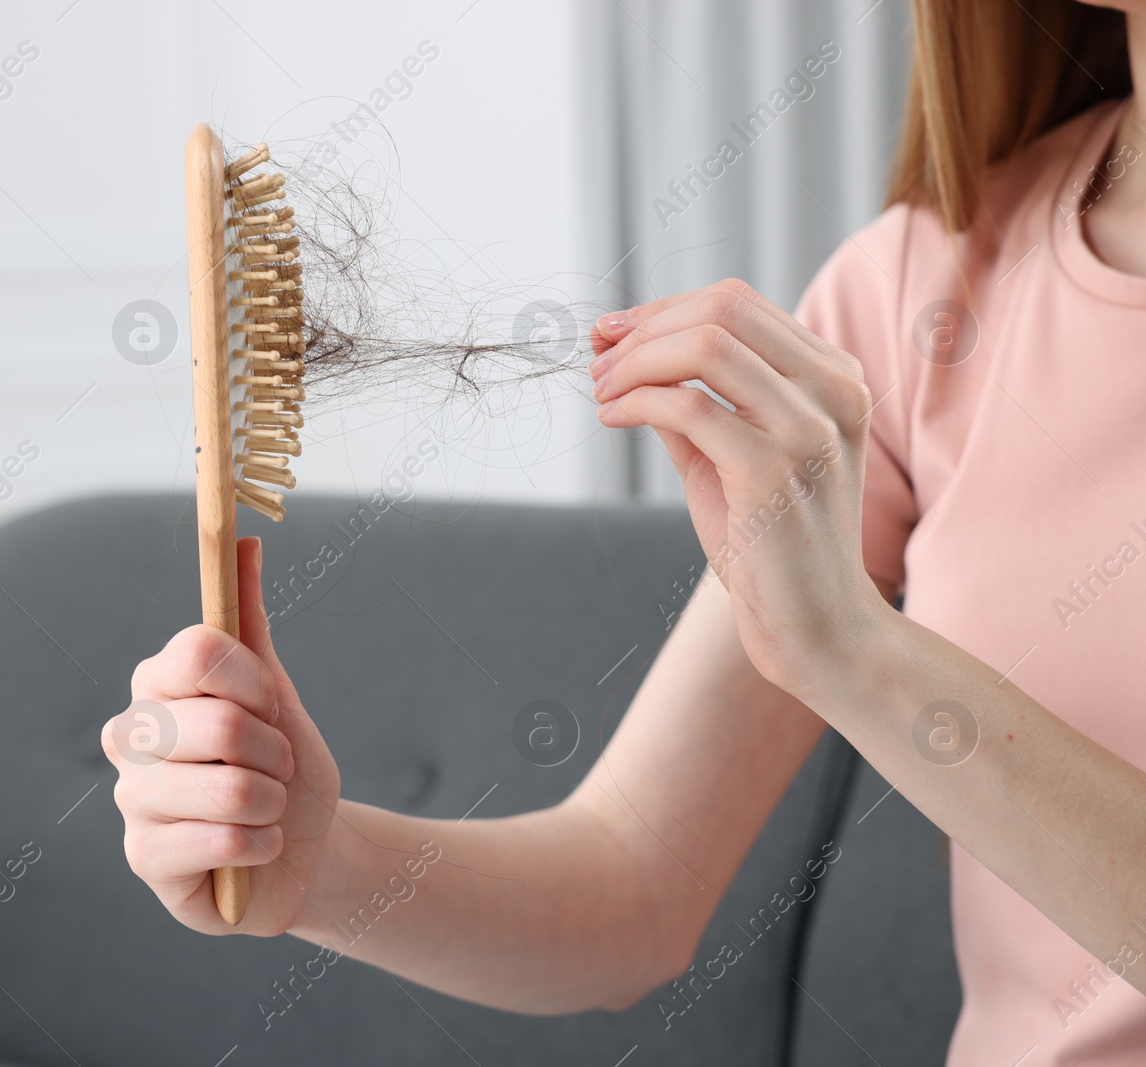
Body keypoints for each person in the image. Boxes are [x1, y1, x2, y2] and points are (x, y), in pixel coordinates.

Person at [106, 3, 1146, 1062]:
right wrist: (317, 857)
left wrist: (854, 654)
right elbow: (631, 889)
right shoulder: (923, 290)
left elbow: (838, 651)